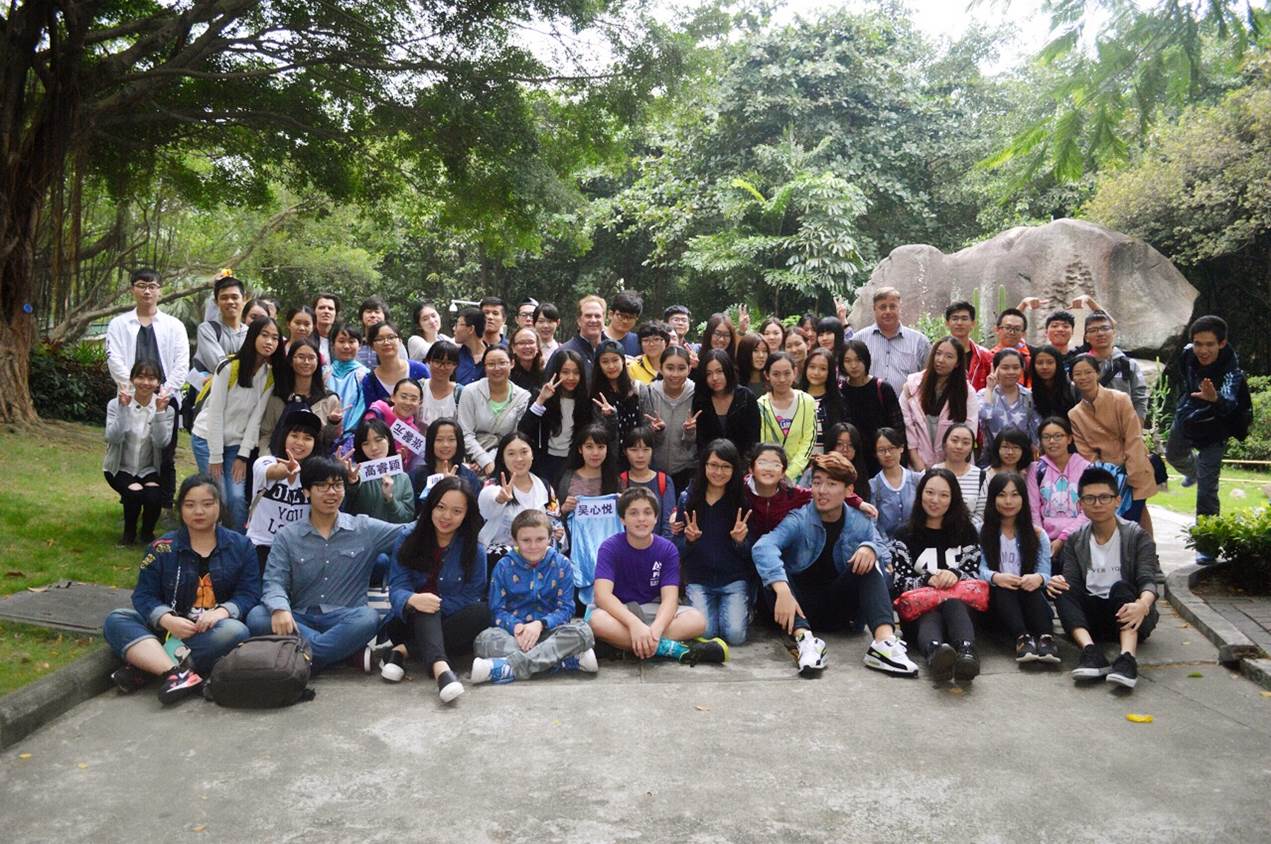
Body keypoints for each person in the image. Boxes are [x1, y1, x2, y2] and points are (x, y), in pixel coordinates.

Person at [752, 452, 916, 677]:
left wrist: (870, 549)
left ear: (848, 490)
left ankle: (884, 643)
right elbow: (764, 546)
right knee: (773, 574)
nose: (822, 490)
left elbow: (885, 559)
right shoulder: (799, 518)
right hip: (799, 608)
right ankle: (805, 641)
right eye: (817, 483)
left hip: (840, 609)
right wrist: (782, 589)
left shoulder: (860, 522)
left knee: (870, 561)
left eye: (831, 484)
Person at [102, 475, 258, 703]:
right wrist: (166, 618)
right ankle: (175, 673)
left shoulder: (242, 546)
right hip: (168, 629)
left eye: (207, 504)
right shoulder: (161, 548)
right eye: (190, 505)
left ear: (219, 506)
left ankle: (147, 668)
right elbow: (144, 595)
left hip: (209, 632)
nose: (199, 511)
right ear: (180, 508)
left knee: (235, 631)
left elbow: (250, 593)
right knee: (117, 619)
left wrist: (222, 612)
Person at [247, 456, 406, 672]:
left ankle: (304, 657)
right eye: (322, 485)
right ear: (306, 491)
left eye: (337, 485)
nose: (331, 492)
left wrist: (440, 497)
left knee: (368, 618)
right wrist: (280, 609)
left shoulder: (364, 528)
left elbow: (409, 532)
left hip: (346, 617)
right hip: (300, 617)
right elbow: (274, 581)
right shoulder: (287, 536)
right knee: (258, 616)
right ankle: (344, 654)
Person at [586, 487, 728, 665]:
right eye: (633, 513)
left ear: (656, 518)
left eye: (647, 513)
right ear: (622, 519)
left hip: (653, 610)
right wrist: (634, 624)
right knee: (596, 620)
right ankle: (674, 649)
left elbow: (670, 599)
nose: (641, 519)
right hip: (620, 612)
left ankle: (624, 646)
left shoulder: (667, 549)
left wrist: (656, 629)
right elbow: (602, 596)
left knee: (697, 620)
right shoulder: (609, 547)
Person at [1048, 467, 1160, 690]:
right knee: (1062, 588)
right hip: (1092, 618)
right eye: (1090, 498)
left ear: (1117, 500)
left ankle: (1127, 658)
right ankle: (1090, 652)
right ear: (1080, 504)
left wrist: (1143, 604)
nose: (1097, 504)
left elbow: (1148, 580)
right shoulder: (1076, 539)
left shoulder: (1136, 535)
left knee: (1121, 588)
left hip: (1132, 614)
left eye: (1104, 497)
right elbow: (1072, 581)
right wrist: (1057, 582)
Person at [383, 476, 489, 701]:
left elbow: (472, 595)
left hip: (450, 623)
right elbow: (397, 586)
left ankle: (403, 650)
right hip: (406, 622)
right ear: (430, 505)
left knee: (484, 612)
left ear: (466, 514)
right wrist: (414, 600)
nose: (446, 516)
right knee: (424, 605)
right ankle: (441, 669)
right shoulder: (408, 537)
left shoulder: (474, 549)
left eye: (456, 511)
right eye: (440, 507)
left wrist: (436, 605)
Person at [470, 509, 598, 684]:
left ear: (550, 538)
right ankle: (561, 661)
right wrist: (517, 627)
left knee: (584, 632)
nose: (533, 546)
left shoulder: (562, 564)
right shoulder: (503, 566)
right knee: (484, 641)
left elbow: (567, 608)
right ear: (514, 540)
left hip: (550, 632)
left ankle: (504, 667)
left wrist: (540, 624)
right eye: (526, 540)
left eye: (540, 539)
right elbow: (496, 609)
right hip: (515, 635)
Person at [1166, 315, 1251, 563]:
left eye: (1209, 344)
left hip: (1215, 427)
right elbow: (1184, 376)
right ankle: (1193, 472)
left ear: (1221, 343)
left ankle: (1207, 544)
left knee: (1206, 492)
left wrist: (1214, 398)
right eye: (1198, 344)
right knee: (1173, 455)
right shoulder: (1187, 354)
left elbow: (1230, 402)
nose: (1203, 350)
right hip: (1188, 416)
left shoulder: (1232, 371)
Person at [105, 268, 189, 506]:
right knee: (129, 449)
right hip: (129, 398)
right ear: (133, 289)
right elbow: (114, 360)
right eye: (141, 285)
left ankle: (164, 504)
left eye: (152, 286)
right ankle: (130, 500)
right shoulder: (118, 324)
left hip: (164, 398)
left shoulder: (174, 326)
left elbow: (182, 363)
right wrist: (136, 388)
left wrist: (164, 391)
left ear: (160, 290)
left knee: (165, 454)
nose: (147, 291)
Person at [189, 317, 283, 531]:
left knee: (237, 498)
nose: (269, 342)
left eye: (275, 338)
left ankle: (239, 543)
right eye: (264, 335)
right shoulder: (228, 367)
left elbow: (255, 419)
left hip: (236, 446)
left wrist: (243, 456)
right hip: (206, 440)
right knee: (219, 496)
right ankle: (213, 540)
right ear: (253, 336)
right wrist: (215, 456)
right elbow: (215, 413)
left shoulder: (269, 376)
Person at [890, 468, 983, 682]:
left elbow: (975, 573)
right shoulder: (904, 534)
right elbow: (899, 581)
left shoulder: (966, 531)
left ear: (953, 498)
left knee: (953, 603)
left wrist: (955, 574)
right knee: (929, 613)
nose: (935, 500)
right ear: (920, 493)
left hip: (959, 612)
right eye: (930, 492)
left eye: (943, 495)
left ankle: (967, 652)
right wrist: (926, 580)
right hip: (919, 612)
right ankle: (936, 653)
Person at [979, 472, 1059, 665]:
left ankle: (1046, 638)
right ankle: (1022, 639)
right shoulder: (981, 531)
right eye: (1002, 495)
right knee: (1004, 588)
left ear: (1023, 498)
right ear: (992, 498)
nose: (1008, 501)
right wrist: (996, 577)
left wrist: (1038, 578)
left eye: (1015, 495)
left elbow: (1046, 573)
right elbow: (977, 569)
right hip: (998, 603)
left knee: (1030, 588)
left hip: (1030, 599)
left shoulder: (1037, 534)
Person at [677, 439, 752, 646]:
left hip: (733, 580)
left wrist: (740, 542)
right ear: (704, 466)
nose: (719, 472)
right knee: (705, 633)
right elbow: (676, 548)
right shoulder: (688, 498)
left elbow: (750, 552)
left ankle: (745, 609)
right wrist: (689, 540)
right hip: (698, 579)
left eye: (726, 466)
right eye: (713, 465)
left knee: (735, 636)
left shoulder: (742, 500)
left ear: (734, 469)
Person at [1068, 354, 1156, 525]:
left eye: (1088, 372)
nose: (1083, 377)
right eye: (1078, 374)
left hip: (1135, 466)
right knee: (1111, 524)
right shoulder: (1075, 414)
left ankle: (1147, 545)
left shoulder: (1120, 399)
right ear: (1072, 378)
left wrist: (1132, 474)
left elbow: (1133, 437)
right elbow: (1086, 452)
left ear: (1097, 373)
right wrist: (1105, 474)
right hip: (1105, 475)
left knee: (1135, 519)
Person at [104, 361, 176, 544]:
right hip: (119, 467)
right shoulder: (116, 404)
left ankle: (147, 535)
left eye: (151, 378)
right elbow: (113, 438)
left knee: (153, 495)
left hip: (148, 469)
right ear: (132, 379)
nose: (145, 383)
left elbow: (162, 442)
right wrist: (123, 409)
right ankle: (128, 535)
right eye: (140, 377)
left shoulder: (166, 409)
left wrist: (159, 412)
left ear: (158, 382)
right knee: (134, 492)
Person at [247, 409, 322, 571]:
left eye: (307, 438)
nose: (300, 443)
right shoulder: (265, 461)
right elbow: (272, 471)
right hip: (261, 545)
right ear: (284, 437)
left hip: (299, 551)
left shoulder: (316, 473)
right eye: (294, 435)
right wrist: (287, 470)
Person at [899, 336, 980, 471]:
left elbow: (969, 430)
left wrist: (949, 466)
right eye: (938, 353)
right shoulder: (912, 386)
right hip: (918, 463)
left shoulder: (967, 392)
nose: (941, 360)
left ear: (957, 363)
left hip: (955, 464)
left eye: (949, 356)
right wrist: (917, 462)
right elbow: (907, 425)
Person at [254, 338, 342, 457]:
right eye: (301, 357)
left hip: (315, 464)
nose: (306, 362)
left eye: (311, 358)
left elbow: (329, 440)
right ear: (291, 360)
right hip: (279, 462)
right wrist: (267, 461)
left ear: (318, 362)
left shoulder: (329, 399)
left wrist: (334, 423)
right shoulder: (278, 397)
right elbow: (266, 434)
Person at [518, 348, 592, 483]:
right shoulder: (542, 396)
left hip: (573, 461)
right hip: (545, 461)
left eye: (576, 372)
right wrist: (541, 400)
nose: (571, 377)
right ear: (556, 373)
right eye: (565, 372)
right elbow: (524, 429)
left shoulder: (586, 400)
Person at [457, 345, 531, 476]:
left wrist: (489, 461)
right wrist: (483, 460)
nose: (497, 368)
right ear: (484, 367)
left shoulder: (523, 397)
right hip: (470, 460)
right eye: (491, 364)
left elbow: (516, 436)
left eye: (502, 363)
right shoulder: (470, 391)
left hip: (505, 461)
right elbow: (465, 433)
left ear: (512, 363)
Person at [478, 431, 554, 551]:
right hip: (502, 553)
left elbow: (554, 519)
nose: (519, 459)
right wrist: (499, 499)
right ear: (503, 458)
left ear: (532, 454)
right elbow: (486, 504)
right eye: (511, 454)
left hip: (537, 550)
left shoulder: (544, 486)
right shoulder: (493, 485)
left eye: (524, 452)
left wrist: (557, 532)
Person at [840, 339, 906, 478]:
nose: (853, 365)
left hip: (882, 458)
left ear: (866, 360)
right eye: (848, 361)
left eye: (858, 360)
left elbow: (898, 427)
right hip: (853, 459)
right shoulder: (840, 391)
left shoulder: (882, 388)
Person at [638, 346, 699, 492]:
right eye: (670, 368)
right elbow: (643, 435)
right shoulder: (649, 392)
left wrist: (690, 432)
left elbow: (699, 441)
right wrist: (656, 431)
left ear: (689, 369)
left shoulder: (698, 394)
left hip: (687, 470)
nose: (675, 374)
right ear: (660, 368)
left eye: (681, 368)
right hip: (652, 470)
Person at [855, 287, 931, 395]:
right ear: (874, 309)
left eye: (892, 306)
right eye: (882, 307)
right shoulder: (859, 340)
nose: (888, 311)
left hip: (906, 404)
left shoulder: (920, 342)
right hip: (867, 404)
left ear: (900, 308)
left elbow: (929, 378)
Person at [1035, 416, 1092, 558]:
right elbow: (1032, 509)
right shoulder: (1036, 469)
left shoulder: (1086, 468)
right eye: (1046, 437)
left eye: (1058, 436)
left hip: (1080, 539)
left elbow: (1089, 510)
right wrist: (1042, 539)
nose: (1052, 441)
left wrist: (1063, 538)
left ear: (1069, 439)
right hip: (1044, 540)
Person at [757, 351, 817, 484]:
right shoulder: (760, 405)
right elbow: (762, 443)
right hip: (769, 474)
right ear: (767, 375)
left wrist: (791, 473)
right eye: (776, 374)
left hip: (801, 476)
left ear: (795, 372)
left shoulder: (807, 401)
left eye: (787, 373)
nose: (782, 379)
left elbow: (809, 440)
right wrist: (775, 472)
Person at [342, 418, 416, 524]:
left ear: (388, 440)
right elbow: (345, 506)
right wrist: (351, 482)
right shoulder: (355, 474)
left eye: (378, 440)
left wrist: (390, 498)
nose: (374, 448)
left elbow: (407, 518)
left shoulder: (403, 478)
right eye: (366, 443)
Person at [692, 348, 760, 459]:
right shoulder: (701, 399)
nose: (714, 378)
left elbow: (754, 440)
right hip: (710, 464)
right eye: (709, 373)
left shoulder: (746, 397)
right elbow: (701, 442)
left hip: (742, 463)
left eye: (719, 371)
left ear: (728, 370)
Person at [1082, 310, 1149, 420]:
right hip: (1089, 426)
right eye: (1093, 330)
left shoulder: (1128, 365)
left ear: (1113, 332)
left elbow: (1139, 399)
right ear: (1086, 337)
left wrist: (1137, 426)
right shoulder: (1080, 366)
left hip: (1123, 425)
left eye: (1105, 328)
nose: (1100, 333)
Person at [190, 274, 247, 389]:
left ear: (244, 299)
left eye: (235, 297)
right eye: (224, 298)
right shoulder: (207, 329)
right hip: (214, 394)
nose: (230, 301)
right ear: (216, 302)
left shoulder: (251, 333)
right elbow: (220, 366)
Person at [978, 347, 1038, 457]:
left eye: (1016, 368)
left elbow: (1035, 433)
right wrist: (989, 388)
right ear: (995, 369)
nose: (1011, 372)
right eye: (1005, 368)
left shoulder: (1029, 397)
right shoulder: (984, 394)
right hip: (992, 459)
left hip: (1022, 460)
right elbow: (985, 416)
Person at [620, 426, 676, 540]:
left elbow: (668, 525)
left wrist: (661, 548)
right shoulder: (620, 481)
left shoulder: (664, 481)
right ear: (625, 452)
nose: (640, 455)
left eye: (646, 450)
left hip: (658, 546)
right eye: (634, 450)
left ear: (652, 451)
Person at [590, 339, 643, 458]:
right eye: (605, 362)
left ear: (623, 361)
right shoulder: (596, 395)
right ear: (599, 364)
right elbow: (600, 434)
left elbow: (646, 424)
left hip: (637, 455)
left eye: (615, 360)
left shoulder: (637, 389)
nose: (611, 366)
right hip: (609, 457)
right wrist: (610, 417)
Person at [410, 417, 482, 502]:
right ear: (431, 443)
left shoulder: (470, 478)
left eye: (451, 440)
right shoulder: (416, 476)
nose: (445, 445)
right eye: (439, 440)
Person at [982, 428, 1042, 528]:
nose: (1010, 452)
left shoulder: (1031, 472)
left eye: (1016, 447)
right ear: (997, 448)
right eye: (1005, 447)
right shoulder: (986, 475)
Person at [362, 322, 430, 409]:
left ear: (400, 341)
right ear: (372, 346)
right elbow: (371, 413)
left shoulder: (419, 370)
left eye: (391, 337)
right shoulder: (369, 380)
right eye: (379, 339)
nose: (386, 342)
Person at [870, 428, 920, 540]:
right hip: (886, 545)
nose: (887, 454)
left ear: (901, 448)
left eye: (892, 448)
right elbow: (873, 524)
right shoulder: (873, 486)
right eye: (881, 450)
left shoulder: (917, 480)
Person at [933, 423, 987, 525]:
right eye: (954, 440)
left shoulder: (981, 476)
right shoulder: (932, 472)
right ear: (944, 444)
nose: (959, 446)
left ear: (971, 448)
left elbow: (980, 514)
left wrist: (964, 530)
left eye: (966, 443)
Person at [328, 322, 369, 450]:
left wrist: (347, 434)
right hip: (324, 436)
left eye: (351, 342)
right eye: (341, 341)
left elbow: (361, 409)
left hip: (352, 440)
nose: (346, 346)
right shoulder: (324, 373)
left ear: (359, 345)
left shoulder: (364, 375)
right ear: (332, 344)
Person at [800, 347, 845, 462]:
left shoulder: (837, 401)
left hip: (827, 464)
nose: (816, 373)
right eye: (812, 367)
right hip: (798, 464)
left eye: (823, 369)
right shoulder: (795, 397)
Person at [553, 294, 606, 378]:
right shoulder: (563, 352)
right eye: (588, 316)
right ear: (579, 320)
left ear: (604, 319)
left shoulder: (612, 351)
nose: (593, 320)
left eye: (597, 316)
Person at [945, 300, 993, 391]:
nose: (959, 323)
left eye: (964, 319)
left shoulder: (985, 356)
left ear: (973, 324)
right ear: (947, 323)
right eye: (955, 318)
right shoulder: (938, 354)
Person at [418, 339, 464, 428]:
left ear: (455, 365)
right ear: (429, 361)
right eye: (437, 362)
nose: (442, 368)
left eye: (448, 363)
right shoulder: (419, 387)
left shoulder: (460, 393)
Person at [827, 422, 871, 504]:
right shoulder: (817, 471)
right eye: (839, 444)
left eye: (850, 445)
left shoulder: (861, 475)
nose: (845, 449)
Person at [988, 308, 1033, 387]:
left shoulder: (1029, 359)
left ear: (1023, 334)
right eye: (1008, 328)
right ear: (997, 329)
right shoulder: (987, 357)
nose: (1012, 332)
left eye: (1017, 329)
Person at [1030, 344, 1077, 420]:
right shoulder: (1029, 395)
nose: (1044, 367)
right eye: (1039, 363)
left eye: (1050, 362)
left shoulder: (1073, 390)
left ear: (1058, 364)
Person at [452, 306, 489, 386]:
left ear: (471, 329)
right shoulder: (454, 356)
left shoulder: (492, 357)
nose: (454, 328)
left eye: (457, 324)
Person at [354, 296, 392, 367]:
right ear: (361, 316)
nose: (373, 315)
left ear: (385, 316)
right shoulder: (354, 343)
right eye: (369, 312)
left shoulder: (393, 343)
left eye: (377, 312)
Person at [508, 324, 545, 393]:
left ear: (537, 347)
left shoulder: (544, 375)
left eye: (531, 342)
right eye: (522, 343)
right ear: (513, 348)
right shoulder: (508, 374)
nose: (527, 346)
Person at [604, 290, 642, 356]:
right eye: (621, 315)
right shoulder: (596, 338)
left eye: (630, 317)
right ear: (611, 314)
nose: (625, 321)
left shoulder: (638, 342)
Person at [736, 332, 770, 396]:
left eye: (764, 351)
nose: (761, 355)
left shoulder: (772, 381)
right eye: (755, 350)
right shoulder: (734, 384)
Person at [312, 292, 340, 362]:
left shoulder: (341, 340)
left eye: (330, 309)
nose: (326, 311)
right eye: (321, 308)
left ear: (336, 314)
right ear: (314, 311)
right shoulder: (306, 339)